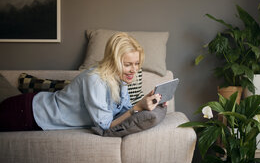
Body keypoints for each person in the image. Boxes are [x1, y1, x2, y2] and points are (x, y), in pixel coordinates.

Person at [0, 33, 162, 131]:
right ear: (113, 62)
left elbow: (124, 111)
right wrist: (138, 108)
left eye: (136, 64)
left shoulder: (121, 79)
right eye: (128, 64)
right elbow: (105, 127)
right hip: (27, 112)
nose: (134, 70)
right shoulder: (95, 80)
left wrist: (143, 103)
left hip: (33, 109)